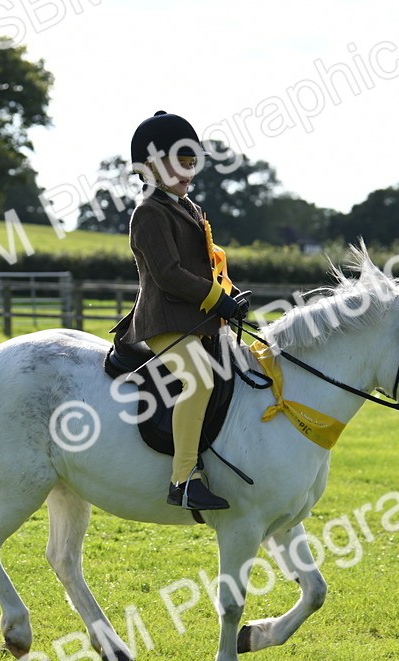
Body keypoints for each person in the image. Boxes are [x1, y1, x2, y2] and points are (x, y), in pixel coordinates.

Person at [111, 111, 249, 511]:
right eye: (180, 163)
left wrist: (230, 293)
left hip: (197, 319)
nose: (189, 171)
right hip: (164, 321)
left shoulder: (189, 208)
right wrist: (213, 299)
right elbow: (169, 274)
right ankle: (183, 480)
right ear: (151, 166)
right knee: (201, 380)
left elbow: (206, 264)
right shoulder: (148, 213)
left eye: (192, 163)